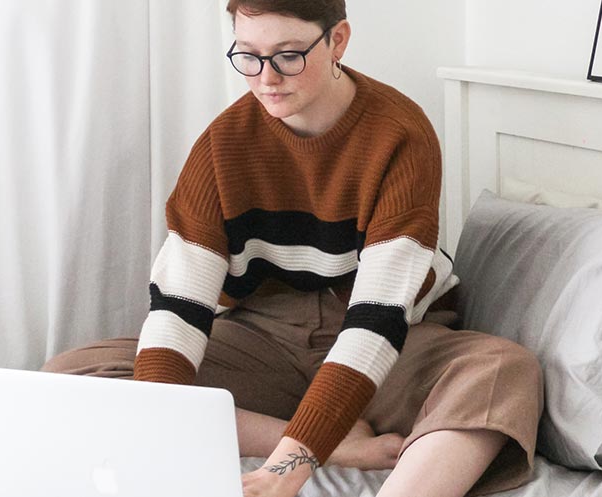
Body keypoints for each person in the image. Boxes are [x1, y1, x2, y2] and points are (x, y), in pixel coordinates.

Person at [42, 1, 543, 496]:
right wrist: (160, 433)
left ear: (337, 41)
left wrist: (288, 470)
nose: (266, 78)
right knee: (71, 376)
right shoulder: (222, 145)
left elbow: (375, 321)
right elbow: (178, 310)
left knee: (504, 371)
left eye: (287, 55)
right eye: (248, 56)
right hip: (268, 334)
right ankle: (336, 441)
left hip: (393, 335)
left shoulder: (401, 135)